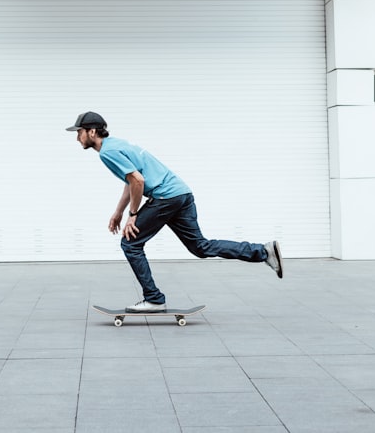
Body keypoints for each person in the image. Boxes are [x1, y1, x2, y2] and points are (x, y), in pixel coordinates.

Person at [66, 111, 283, 312]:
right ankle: (263, 251)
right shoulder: (117, 144)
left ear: (92, 132)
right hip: (181, 194)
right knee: (200, 247)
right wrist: (118, 212)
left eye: (79, 132)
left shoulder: (107, 152)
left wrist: (132, 215)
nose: (77, 138)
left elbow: (137, 181)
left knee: (130, 243)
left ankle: (154, 299)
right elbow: (131, 180)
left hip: (165, 197)